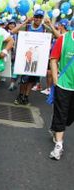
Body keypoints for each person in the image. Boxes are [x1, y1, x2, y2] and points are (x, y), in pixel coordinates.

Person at [11, 9, 60, 105]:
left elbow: (59, 37)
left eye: (40, 17)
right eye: (36, 17)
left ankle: (26, 96)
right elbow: (13, 31)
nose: (38, 19)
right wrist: (25, 22)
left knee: (32, 80)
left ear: (42, 18)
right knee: (24, 79)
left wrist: (50, 24)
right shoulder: (27, 27)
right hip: (26, 58)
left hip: (38, 59)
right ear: (33, 17)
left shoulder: (45, 28)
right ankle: (20, 95)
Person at [48, 29, 74, 160]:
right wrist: (56, 79)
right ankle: (58, 145)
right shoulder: (64, 39)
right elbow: (53, 59)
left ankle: (56, 126)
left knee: (69, 117)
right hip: (64, 85)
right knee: (61, 114)